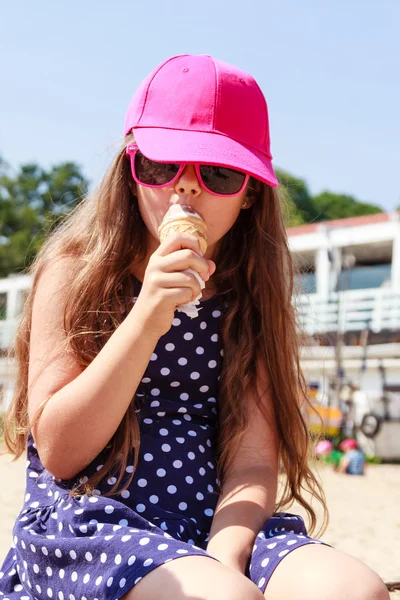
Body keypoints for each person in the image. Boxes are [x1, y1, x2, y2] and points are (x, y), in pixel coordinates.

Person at [0, 54, 388, 600]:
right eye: (161, 166)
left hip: (217, 519)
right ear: (131, 170)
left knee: (352, 589)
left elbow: (253, 461)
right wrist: (147, 317)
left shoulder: (246, 295)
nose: (185, 189)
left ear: (250, 192)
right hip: (94, 520)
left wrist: (225, 553)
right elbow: (61, 452)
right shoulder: (76, 271)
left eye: (218, 172)